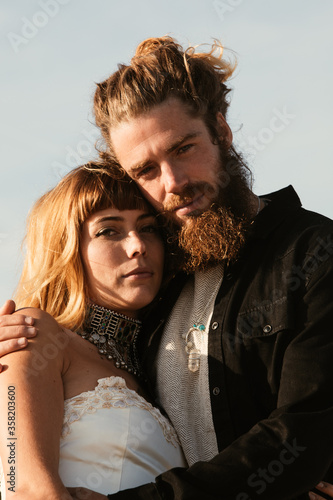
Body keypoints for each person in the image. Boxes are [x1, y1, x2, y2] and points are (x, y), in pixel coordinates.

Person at [0, 36, 333, 499]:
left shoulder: (314, 251)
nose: (173, 183)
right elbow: (20, 476)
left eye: (183, 148)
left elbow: (303, 431)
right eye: (146, 171)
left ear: (222, 131)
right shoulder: (160, 287)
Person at [0, 163, 186, 499]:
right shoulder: (35, 333)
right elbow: (24, 487)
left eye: (147, 228)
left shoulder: (155, 369)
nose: (137, 246)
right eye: (109, 231)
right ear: (67, 248)